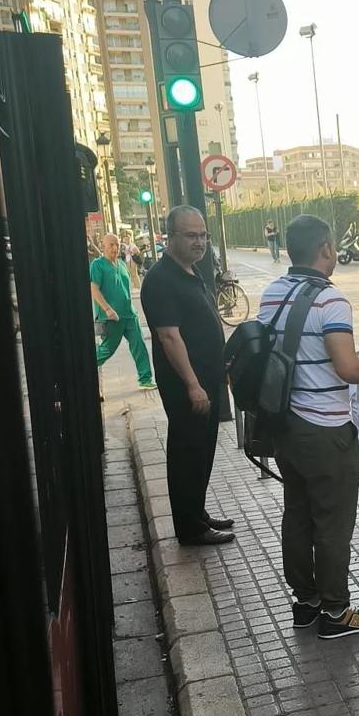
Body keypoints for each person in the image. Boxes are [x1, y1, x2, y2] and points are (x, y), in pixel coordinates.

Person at [259, 214, 359, 639]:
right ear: (327, 249)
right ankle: (337, 612)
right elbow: (348, 367)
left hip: (286, 426)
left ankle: (306, 603)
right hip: (326, 430)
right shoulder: (330, 300)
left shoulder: (272, 292)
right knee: (333, 524)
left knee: (297, 515)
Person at [139, 207, 234, 547]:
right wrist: (193, 385)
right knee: (188, 451)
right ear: (171, 237)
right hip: (186, 385)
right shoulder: (161, 278)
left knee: (203, 448)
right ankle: (189, 527)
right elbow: (169, 337)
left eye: (203, 235)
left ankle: (197, 512)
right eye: (191, 236)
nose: (199, 242)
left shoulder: (191, 272)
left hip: (206, 379)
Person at [91, 232, 156, 390]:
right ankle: (83, 369)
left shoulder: (120, 263)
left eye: (117, 244)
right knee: (107, 349)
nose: (114, 248)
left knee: (139, 345)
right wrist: (107, 309)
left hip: (129, 313)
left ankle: (145, 379)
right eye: (111, 245)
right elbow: (94, 289)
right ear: (103, 246)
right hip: (112, 316)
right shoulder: (97, 265)